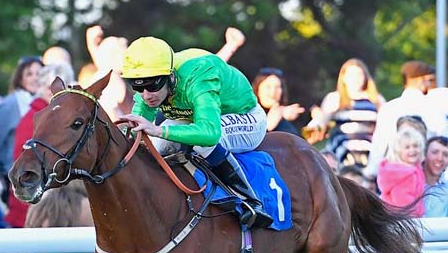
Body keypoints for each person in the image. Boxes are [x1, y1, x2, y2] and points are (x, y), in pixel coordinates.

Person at [120, 36, 273, 228]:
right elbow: (134, 133)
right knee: (158, 147)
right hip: (199, 117)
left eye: (152, 86)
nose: (145, 95)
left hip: (244, 116)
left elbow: (210, 132)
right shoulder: (152, 81)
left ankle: (251, 202)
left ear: (170, 76)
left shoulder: (199, 75)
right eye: (137, 86)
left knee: (202, 143)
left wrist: (158, 129)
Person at [5, 62, 76, 228]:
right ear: (43, 88)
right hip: (35, 209)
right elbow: (23, 170)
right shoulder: (33, 119)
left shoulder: (60, 118)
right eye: (54, 89)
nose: (60, 94)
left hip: (59, 206)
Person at [363, 61, 448, 180]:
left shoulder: (389, 108)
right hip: (425, 178)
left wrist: (370, 175)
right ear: (421, 81)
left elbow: (379, 146)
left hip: (393, 176)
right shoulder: (435, 109)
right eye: (429, 80)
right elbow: (445, 143)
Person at [305, 58, 385, 167]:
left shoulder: (377, 99)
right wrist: (318, 120)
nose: (356, 79)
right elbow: (321, 122)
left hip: (370, 156)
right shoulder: (335, 98)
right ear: (343, 78)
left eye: (359, 75)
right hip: (342, 155)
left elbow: (386, 126)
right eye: (351, 75)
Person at [0, 55, 44, 195]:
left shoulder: (46, 103)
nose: (35, 78)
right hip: (13, 177)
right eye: (29, 74)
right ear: (20, 77)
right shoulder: (9, 104)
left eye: (39, 74)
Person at [376, 128, 426, 217]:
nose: (412, 150)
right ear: (398, 151)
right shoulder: (405, 175)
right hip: (403, 221)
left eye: (415, 146)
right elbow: (403, 204)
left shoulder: (412, 170)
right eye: (407, 147)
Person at [252, 68, 306, 136]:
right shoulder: (247, 114)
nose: (273, 92)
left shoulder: (286, 118)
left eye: (277, 87)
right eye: (268, 87)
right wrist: (268, 125)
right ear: (257, 88)